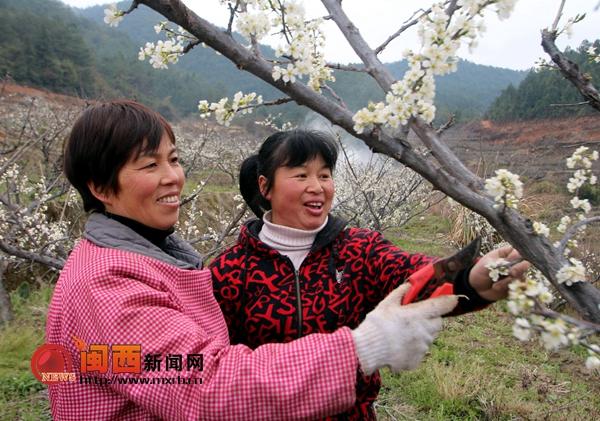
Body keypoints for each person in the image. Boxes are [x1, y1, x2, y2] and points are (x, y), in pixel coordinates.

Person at [46, 100, 460, 421]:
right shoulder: (108, 285)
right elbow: (205, 385)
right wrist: (363, 347)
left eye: (173, 159)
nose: (173, 176)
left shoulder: (152, 261)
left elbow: (415, 272)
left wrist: (478, 276)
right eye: (150, 164)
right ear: (100, 186)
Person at [209, 129, 530, 420]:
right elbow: (214, 369)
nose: (317, 187)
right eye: (301, 175)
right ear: (265, 186)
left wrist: (470, 279)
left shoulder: (357, 250)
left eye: (324, 175)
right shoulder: (229, 272)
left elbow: (412, 277)